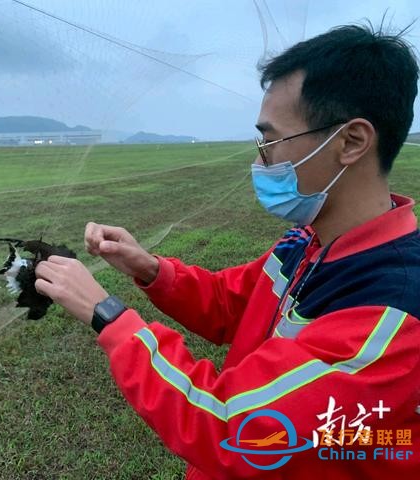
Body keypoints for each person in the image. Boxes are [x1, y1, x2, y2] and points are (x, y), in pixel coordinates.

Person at [34, 23, 420, 479]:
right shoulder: (308, 242)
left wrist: (107, 315)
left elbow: (237, 430)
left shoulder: (392, 318)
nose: (260, 162)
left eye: (271, 142)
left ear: (351, 142)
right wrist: (151, 268)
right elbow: (230, 304)